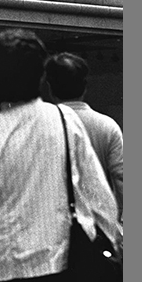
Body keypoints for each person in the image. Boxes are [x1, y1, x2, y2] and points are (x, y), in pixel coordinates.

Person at [0, 29, 121, 282]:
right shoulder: (64, 121)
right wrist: (112, 239)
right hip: (57, 264)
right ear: (40, 77)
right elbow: (96, 193)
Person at [46, 52, 123, 222]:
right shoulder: (108, 126)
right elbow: (121, 177)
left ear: (49, 87)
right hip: (97, 227)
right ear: (85, 86)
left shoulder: (38, 126)